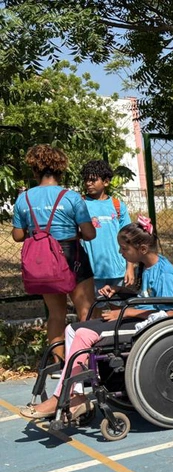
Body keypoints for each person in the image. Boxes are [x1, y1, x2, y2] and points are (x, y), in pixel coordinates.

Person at [19, 218, 173, 419]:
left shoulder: (165, 273)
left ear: (143, 248)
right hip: (135, 317)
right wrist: (119, 290)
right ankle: (76, 394)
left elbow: (169, 313)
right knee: (72, 330)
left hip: (147, 325)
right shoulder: (146, 266)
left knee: (85, 335)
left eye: (124, 248)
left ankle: (62, 396)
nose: (121, 253)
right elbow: (145, 297)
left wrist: (126, 312)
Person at [12, 145, 96, 361]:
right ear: (61, 170)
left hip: (43, 260)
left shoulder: (24, 199)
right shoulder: (71, 197)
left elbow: (18, 235)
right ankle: (84, 363)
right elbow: (89, 234)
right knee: (86, 311)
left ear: (35, 170)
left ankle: (57, 366)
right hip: (71, 256)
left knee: (56, 315)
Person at [80, 160, 134, 292]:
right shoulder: (80, 204)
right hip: (90, 272)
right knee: (94, 310)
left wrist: (130, 267)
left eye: (93, 180)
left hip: (118, 271)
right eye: (86, 180)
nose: (88, 183)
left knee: (118, 310)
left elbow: (129, 237)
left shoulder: (117, 205)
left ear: (106, 182)